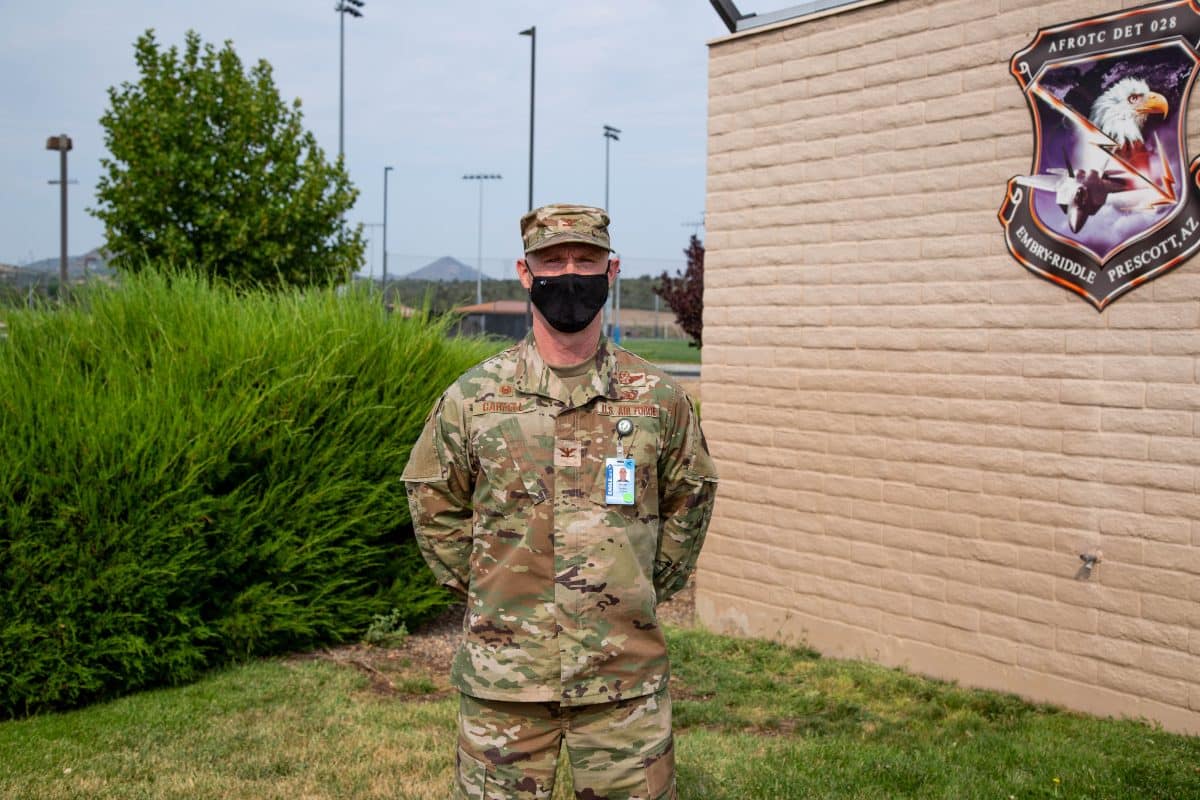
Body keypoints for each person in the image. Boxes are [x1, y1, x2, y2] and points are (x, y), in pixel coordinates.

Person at [402, 203, 717, 800]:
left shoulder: (659, 400)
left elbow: (689, 502)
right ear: (525, 271)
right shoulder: (473, 400)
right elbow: (433, 503)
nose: (569, 272)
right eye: (552, 259)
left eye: (585, 259)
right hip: (506, 684)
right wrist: (491, 587)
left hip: (622, 679)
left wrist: (634, 587)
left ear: (611, 269)